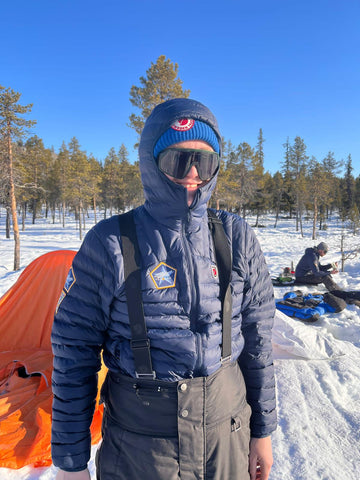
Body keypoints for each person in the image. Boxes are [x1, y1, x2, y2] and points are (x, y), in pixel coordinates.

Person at [51, 98, 277, 480]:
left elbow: (257, 339)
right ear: (151, 162)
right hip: (142, 449)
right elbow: (74, 353)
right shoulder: (110, 242)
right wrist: (71, 464)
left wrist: (264, 431)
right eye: (177, 159)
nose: (192, 173)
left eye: (204, 162)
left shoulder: (236, 236)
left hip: (228, 437)